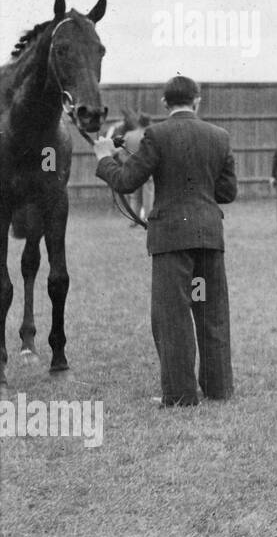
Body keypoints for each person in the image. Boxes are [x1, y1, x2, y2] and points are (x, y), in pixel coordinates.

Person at [92, 76, 238, 407]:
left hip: (171, 239)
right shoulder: (220, 136)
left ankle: (180, 394)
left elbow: (127, 182)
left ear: (164, 103)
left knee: (173, 317)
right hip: (208, 237)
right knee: (210, 313)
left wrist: (104, 157)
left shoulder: (155, 134)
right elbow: (228, 192)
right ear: (197, 101)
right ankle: (218, 388)